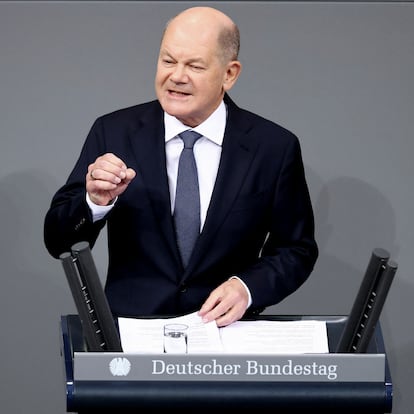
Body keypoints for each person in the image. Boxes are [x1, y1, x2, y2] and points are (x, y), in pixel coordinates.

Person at [44, 6, 318, 327]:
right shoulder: (114, 132)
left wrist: (247, 288)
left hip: (223, 336)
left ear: (229, 74)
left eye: (194, 66)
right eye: (168, 61)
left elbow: (295, 249)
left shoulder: (273, 147)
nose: (176, 76)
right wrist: (94, 202)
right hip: (131, 336)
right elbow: (59, 241)